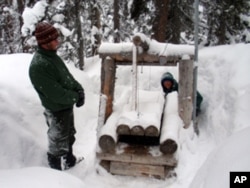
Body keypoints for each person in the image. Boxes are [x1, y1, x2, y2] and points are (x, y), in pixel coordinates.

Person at [29, 22, 85, 170]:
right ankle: (55, 175)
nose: (57, 41)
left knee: (69, 135)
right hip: (56, 110)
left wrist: (79, 90)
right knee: (57, 143)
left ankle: (70, 161)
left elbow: (67, 77)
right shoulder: (39, 65)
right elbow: (56, 94)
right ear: (45, 42)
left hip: (65, 107)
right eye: (54, 39)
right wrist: (75, 97)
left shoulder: (52, 57)